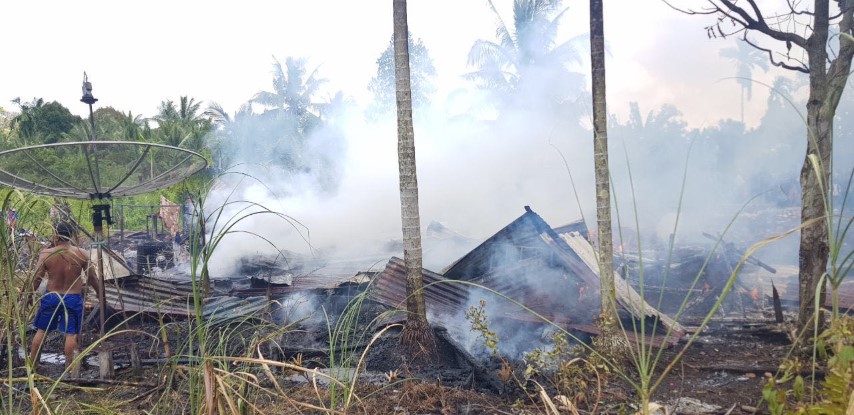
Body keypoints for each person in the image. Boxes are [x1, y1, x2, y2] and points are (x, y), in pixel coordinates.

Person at [28, 222, 102, 372]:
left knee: (42, 330)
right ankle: (70, 369)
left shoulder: (46, 254)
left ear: (55, 235)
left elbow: (36, 279)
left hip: (52, 296)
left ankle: (33, 365)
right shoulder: (81, 253)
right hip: (72, 298)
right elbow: (92, 278)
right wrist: (101, 295)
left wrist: (29, 295)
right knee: (71, 334)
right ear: (71, 235)